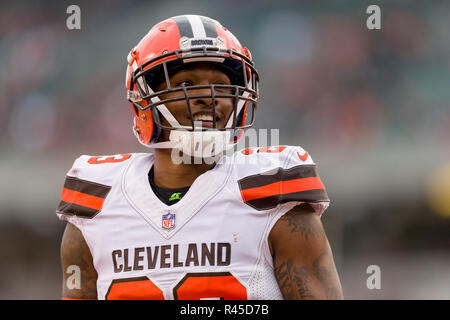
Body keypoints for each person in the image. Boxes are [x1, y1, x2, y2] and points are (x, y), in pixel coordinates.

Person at [57, 14, 343, 300]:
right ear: (144, 101)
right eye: (185, 84)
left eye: (221, 85)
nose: (209, 96)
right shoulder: (97, 203)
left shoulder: (274, 193)